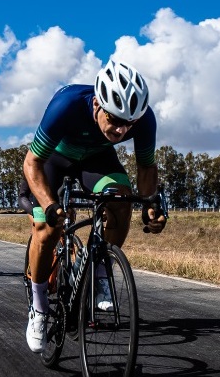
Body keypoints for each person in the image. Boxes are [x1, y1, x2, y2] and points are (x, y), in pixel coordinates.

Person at [22, 59, 167, 354]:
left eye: (128, 124)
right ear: (98, 104)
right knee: (46, 229)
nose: (120, 130)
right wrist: (49, 205)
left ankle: (98, 269)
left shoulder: (145, 119)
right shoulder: (67, 104)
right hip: (55, 158)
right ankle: (38, 310)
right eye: (114, 119)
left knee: (121, 202)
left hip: (97, 160)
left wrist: (150, 203)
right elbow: (32, 162)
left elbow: (146, 168)